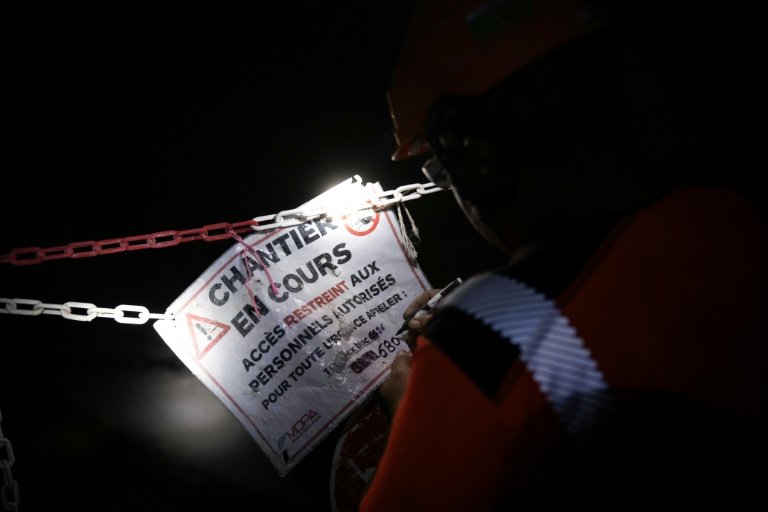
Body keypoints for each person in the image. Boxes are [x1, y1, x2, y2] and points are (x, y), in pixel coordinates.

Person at [360, 1, 767, 510]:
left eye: (442, 172)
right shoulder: (727, 208)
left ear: (477, 156)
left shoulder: (479, 342)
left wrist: (408, 414)